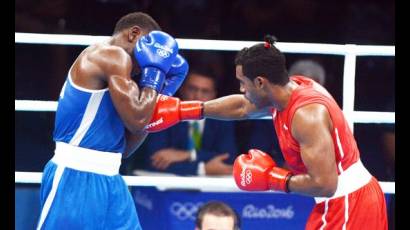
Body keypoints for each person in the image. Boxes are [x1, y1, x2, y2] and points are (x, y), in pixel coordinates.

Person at [144, 35, 388, 229]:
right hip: (343, 201)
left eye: (243, 83)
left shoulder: (306, 115)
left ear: (260, 82)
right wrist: (183, 111)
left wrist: (272, 178)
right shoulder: (286, 90)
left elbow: (325, 184)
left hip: (348, 203)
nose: (241, 89)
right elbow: (241, 107)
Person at [36, 12, 189, 229]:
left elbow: (127, 146)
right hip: (75, 176)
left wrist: (164, 91)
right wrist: (156, 74)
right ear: (134, 34)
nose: (145, 64)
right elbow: (138, 119)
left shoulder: (128, 82)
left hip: (111, 177)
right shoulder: (110, 55)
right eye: (148, 52)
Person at [134, 68, 237, 176]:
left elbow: (227, 158)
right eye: (192, 89)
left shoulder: (223, 121)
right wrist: (202, 169)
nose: (197, 96)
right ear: (182, 89)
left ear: (214, 95)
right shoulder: (164, 114)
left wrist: (190, 155)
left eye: (205, 91)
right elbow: (154, 160)